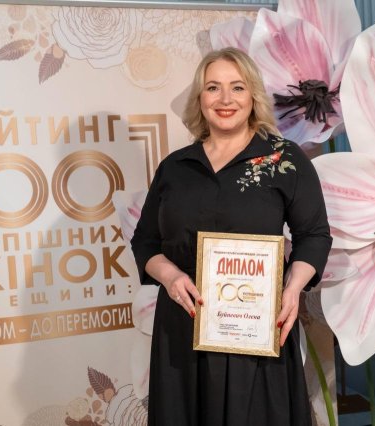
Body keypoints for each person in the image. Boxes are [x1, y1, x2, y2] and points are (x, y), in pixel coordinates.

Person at [131, 47, 332, 426]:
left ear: (253, 95)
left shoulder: (285, 160)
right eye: (213, 88)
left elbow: (314, 235)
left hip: (257, 327)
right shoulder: (175, 167)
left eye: (237, 87)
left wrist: (292, 289)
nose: (225, 99)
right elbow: (145, 241)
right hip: (184, 327)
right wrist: (170, 277)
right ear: (200, 98)